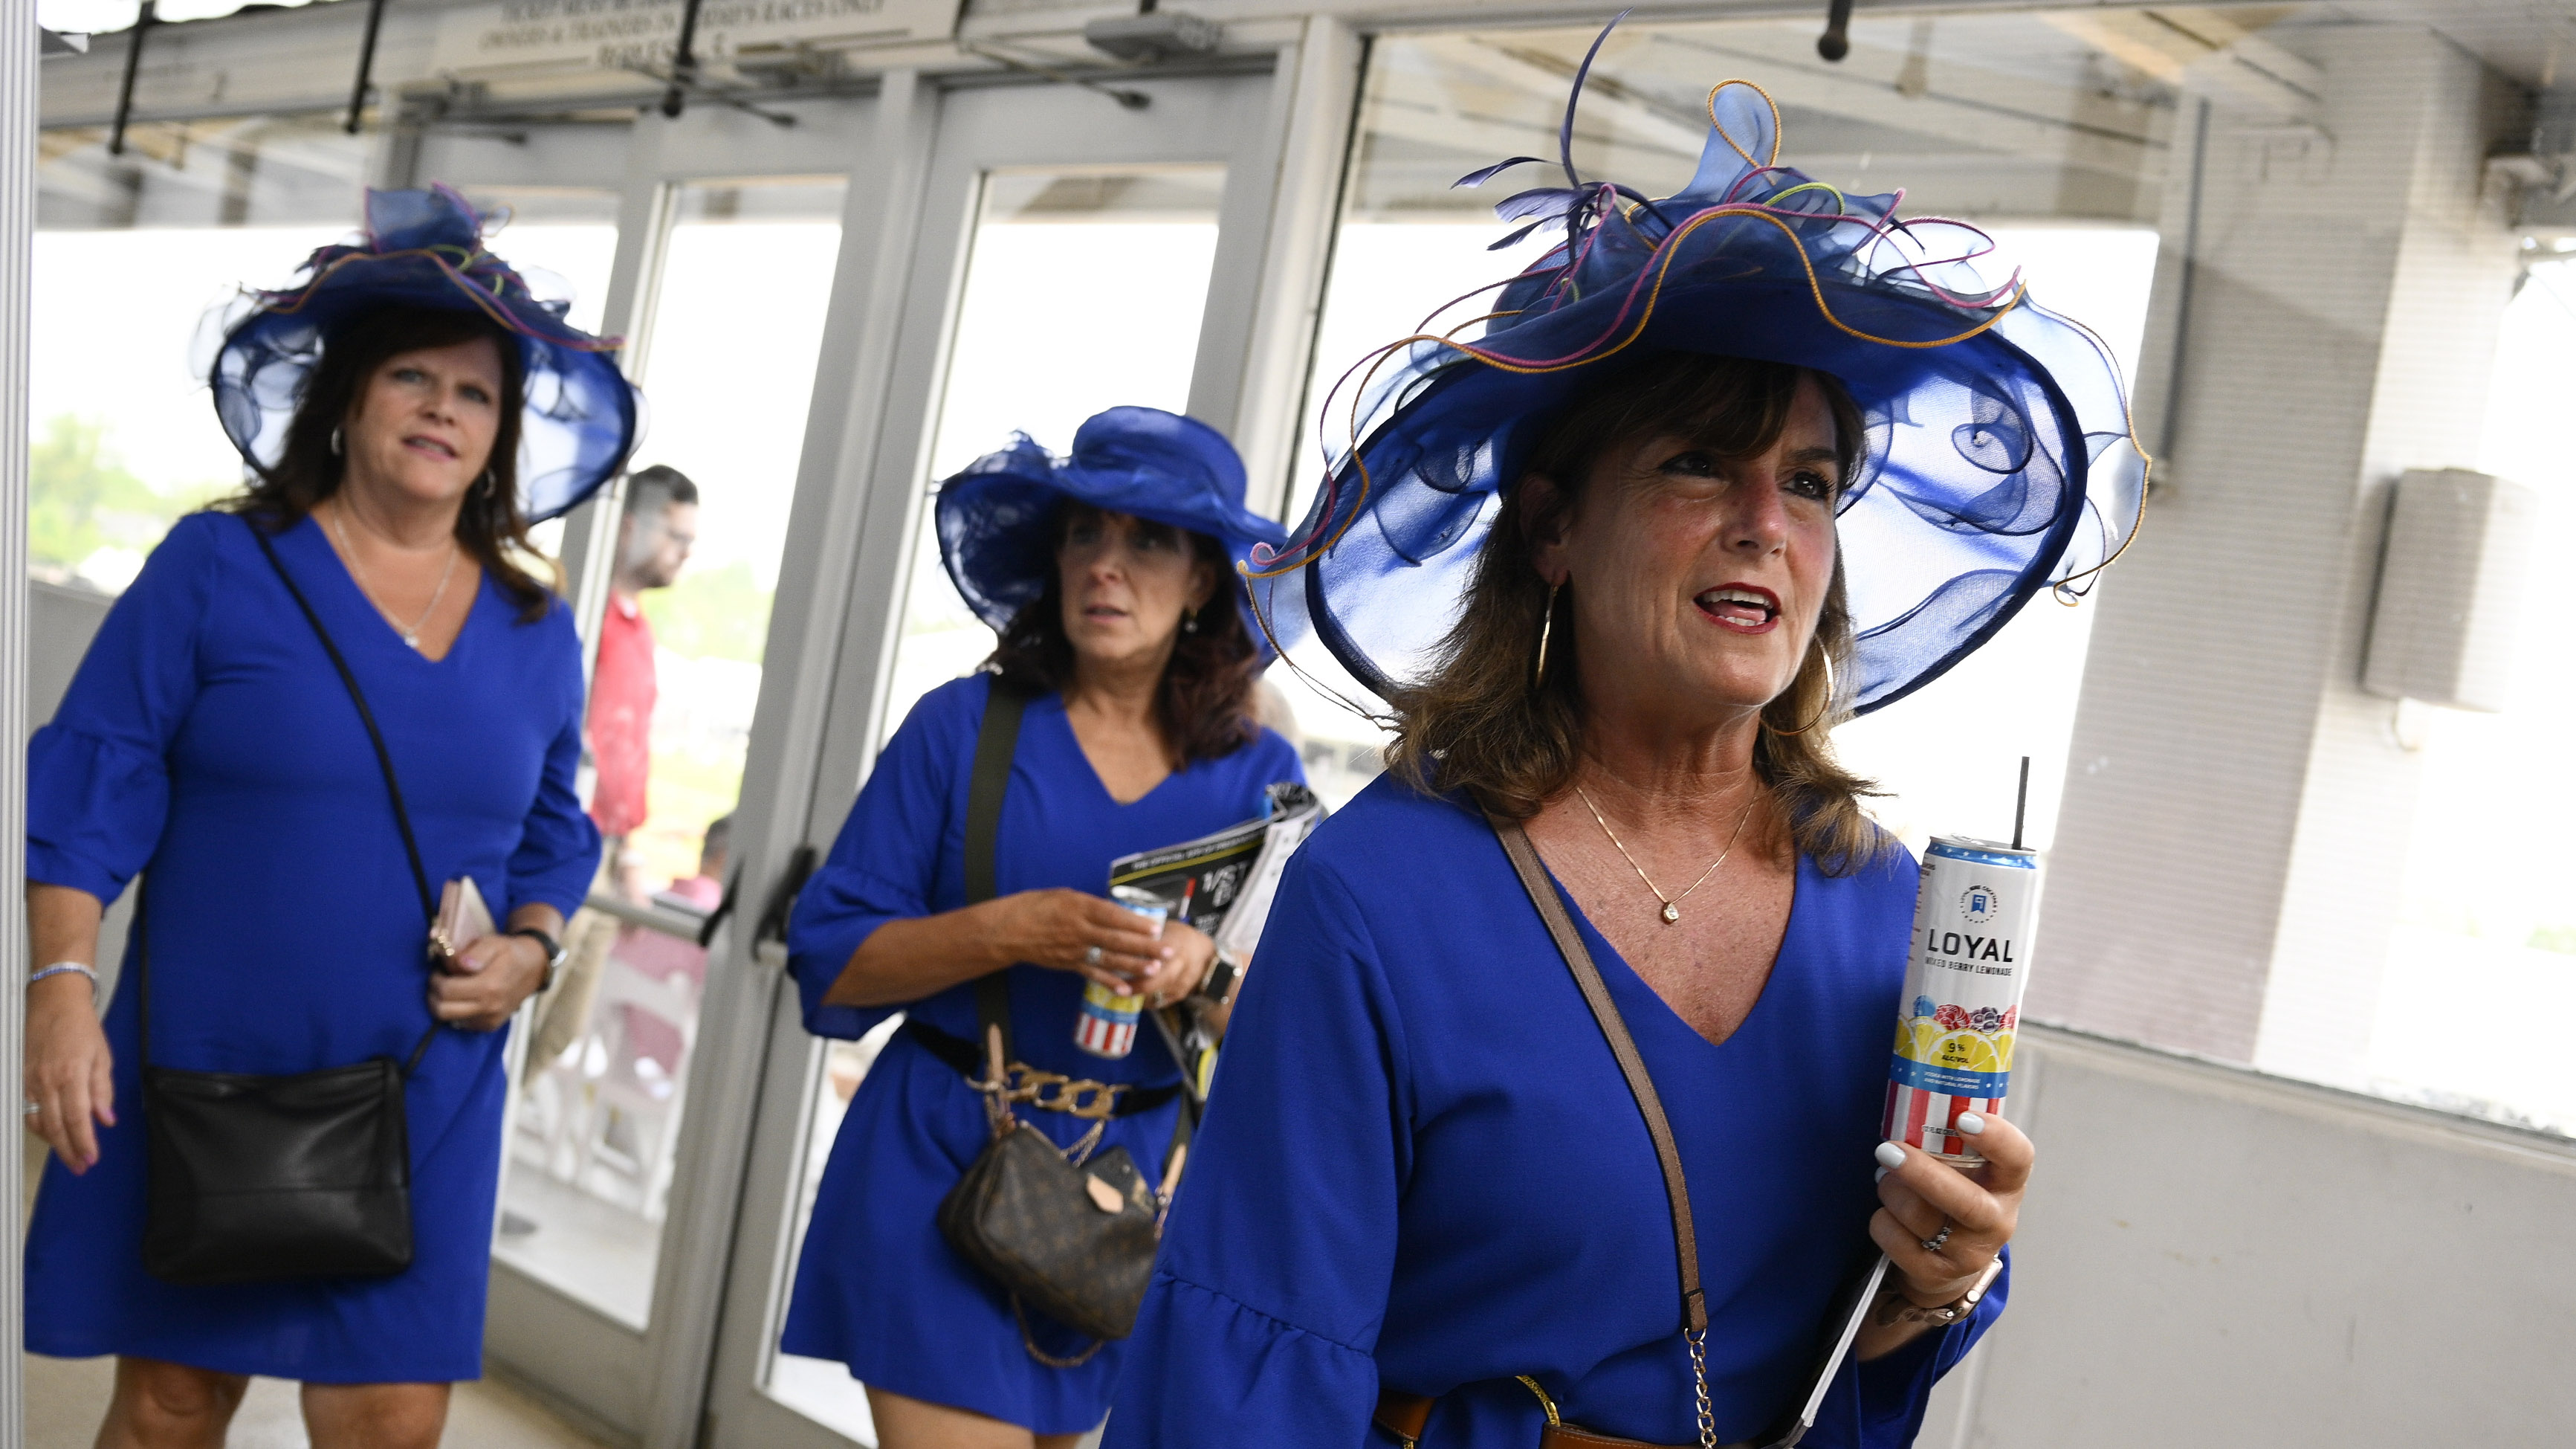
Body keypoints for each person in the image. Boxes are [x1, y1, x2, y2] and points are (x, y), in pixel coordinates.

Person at [1108, 62, 2143, 1449]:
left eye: (1814, 481)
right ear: (1552, 528)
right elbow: (1248, 1376)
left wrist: (1929, 1284)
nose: (1766, 522)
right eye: (1698, 466)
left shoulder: (1889, 907)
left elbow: (1843, 1364)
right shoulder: (1382, 897)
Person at [19, 186, 636, 1449]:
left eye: (474, 394)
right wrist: (60, 984)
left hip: (426, 1075)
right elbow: (95, 772)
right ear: (347, 401)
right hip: (208, 1051)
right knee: (173, 1401)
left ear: (501, 436)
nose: (442, 411)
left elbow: (556, 827)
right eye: (412, 376)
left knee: (390, 1411)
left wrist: (530, 945)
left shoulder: (534, 625)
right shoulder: (217, 565)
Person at [780, 407, 1308, 1448]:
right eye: (1085, 535)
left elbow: (1292, 1033)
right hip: (941, 1159)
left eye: (1148, 541)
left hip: (1131, 1198)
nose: (1105, 568)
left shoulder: (1259, 779)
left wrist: (1207, 972)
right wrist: (1010, 930)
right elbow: (829, 961)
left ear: (1204, 579)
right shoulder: (957, 730)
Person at [522, 463, 701, 1082]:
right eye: (677, 537)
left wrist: (628, 855)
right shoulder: (578, 620)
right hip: (563, 842)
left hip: (607, 849)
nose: (683, 554)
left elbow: (626, 751)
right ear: (629, 527)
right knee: (527, 1013)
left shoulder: (638, 631)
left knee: (561, 1027)